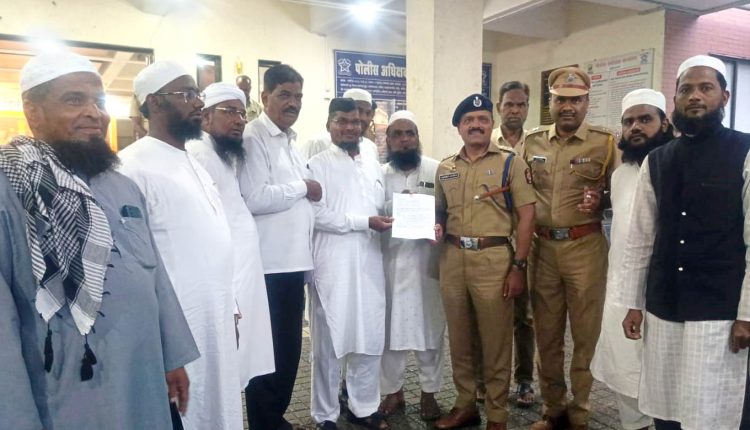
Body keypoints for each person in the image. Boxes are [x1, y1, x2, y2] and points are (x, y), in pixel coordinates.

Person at [0, 51, 199, 430]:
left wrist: (173, 356)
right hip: (66, 390)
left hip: (142, 373)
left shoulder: (122, 185)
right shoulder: (11, 188)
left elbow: (155, 276)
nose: (95, 113)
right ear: (33, 111)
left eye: (100, 102)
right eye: (74, 100)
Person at [618, 55, 750, 430]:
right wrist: (633, 303)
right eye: (686, 89)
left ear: (724, 97)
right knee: (667, 405)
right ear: (675, 98)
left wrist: (747, 314)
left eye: (706, 88)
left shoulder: (744, 151)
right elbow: (641, 239)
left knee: (716, 409)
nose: (695, 96)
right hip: (666, 303)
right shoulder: (657, 160)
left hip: (720, 308)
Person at [119, 61, 241, 430]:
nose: (198, 102)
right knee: (185, 411)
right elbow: (133, 264)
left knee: (219, 404)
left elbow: (212, 240)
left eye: (197, 94)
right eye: (186, 94)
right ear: (154, 102)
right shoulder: (131, 167)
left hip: (215, 312)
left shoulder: (192, 161)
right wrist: (161, 339)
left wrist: (232, 304)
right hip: (177, 324)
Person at [433, 94, 536, 430]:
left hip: (494, 260)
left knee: (495, 341)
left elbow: (527, 217)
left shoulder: (511, 164)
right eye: (469, 120)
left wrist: (519, 266)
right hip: (452, 258)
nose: (475, 125)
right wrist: (434, 227)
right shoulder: (446, 168)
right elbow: (439, 213)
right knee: (459, 339)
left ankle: (497, 414)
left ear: (492, 124)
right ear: (458, 127)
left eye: (482, 119)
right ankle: (465, 404)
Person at [521, 67, 615, 430]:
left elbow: (622, 192)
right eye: (561, 100)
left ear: (587, 102)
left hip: (585, 247)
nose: (568, 107)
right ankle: (553, 408)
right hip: (542, 249)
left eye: (576, 100)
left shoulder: (605, 143)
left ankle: (580, 412)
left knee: (585, 335)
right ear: (551, 102)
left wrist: (603, 199)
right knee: (546, 334)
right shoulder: (532, 142)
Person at [238, 64, 318, 430]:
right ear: (264, 96)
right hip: (269, 267)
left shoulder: (288, 140)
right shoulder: (253, 137)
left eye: (298, 96)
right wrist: (303, 187)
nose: (293, 103)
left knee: (287, 352)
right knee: (269, 355)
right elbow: (254, 197)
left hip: (292, 264)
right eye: (285, 94)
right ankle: (265, 423)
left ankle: (275, 420)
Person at [307, 98, 393, 430]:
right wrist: (362, 222)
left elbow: (380, 206)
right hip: (332, 266)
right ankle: (325, 414)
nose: (349, 127)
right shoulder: (316, 165)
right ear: (329, 124)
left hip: (370, 263)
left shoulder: (372, 163)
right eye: (341, 121)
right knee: (329, 344)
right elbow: (316, 214)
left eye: (356, 121)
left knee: (369, 337)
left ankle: (363, 407)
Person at [591, 88, 674, 430]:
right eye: (628, 122)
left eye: (645, 119)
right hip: (621, 286)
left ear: (664, 123)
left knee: (664, 374)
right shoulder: (620, 174)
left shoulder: (676, 166)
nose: (635, 127)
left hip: (665, 291)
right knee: (624, 369)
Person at [185, 82, 275, 387]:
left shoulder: (222, 153)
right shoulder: (199, 154)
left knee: (239, 363)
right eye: (230, 112)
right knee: (225, 365)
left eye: (242, 114)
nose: (239, 120)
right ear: (206, 116)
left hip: (242, 272)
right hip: (228, 278)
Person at [378, 110, 446, 422]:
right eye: (397, 134)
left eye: (410, 134)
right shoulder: (378, 174)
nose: (404, 140)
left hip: (427, 265)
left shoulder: (437, 170)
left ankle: (429, 393)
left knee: (430, 331)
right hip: (389, 264)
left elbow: (448, 211)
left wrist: (440, 226)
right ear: (388, 139)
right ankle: (393, 391)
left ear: (417, 138)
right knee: (389, 332)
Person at [484, 80, 536, 408]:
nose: (515, 110)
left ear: (527, 107)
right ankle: (486, 380)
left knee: (525, 316)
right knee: (489, 312)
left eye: (520, 104)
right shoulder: (485, 142)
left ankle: (525, 379)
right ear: (499, 107)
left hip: (531, 240)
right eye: (509, 105)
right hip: (495, 241)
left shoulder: (539, 143)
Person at [296, 88, 378, 161]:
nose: (363, 118)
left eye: (368, 113)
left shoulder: (371, 147)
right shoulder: (317, 143)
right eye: (359, 111)